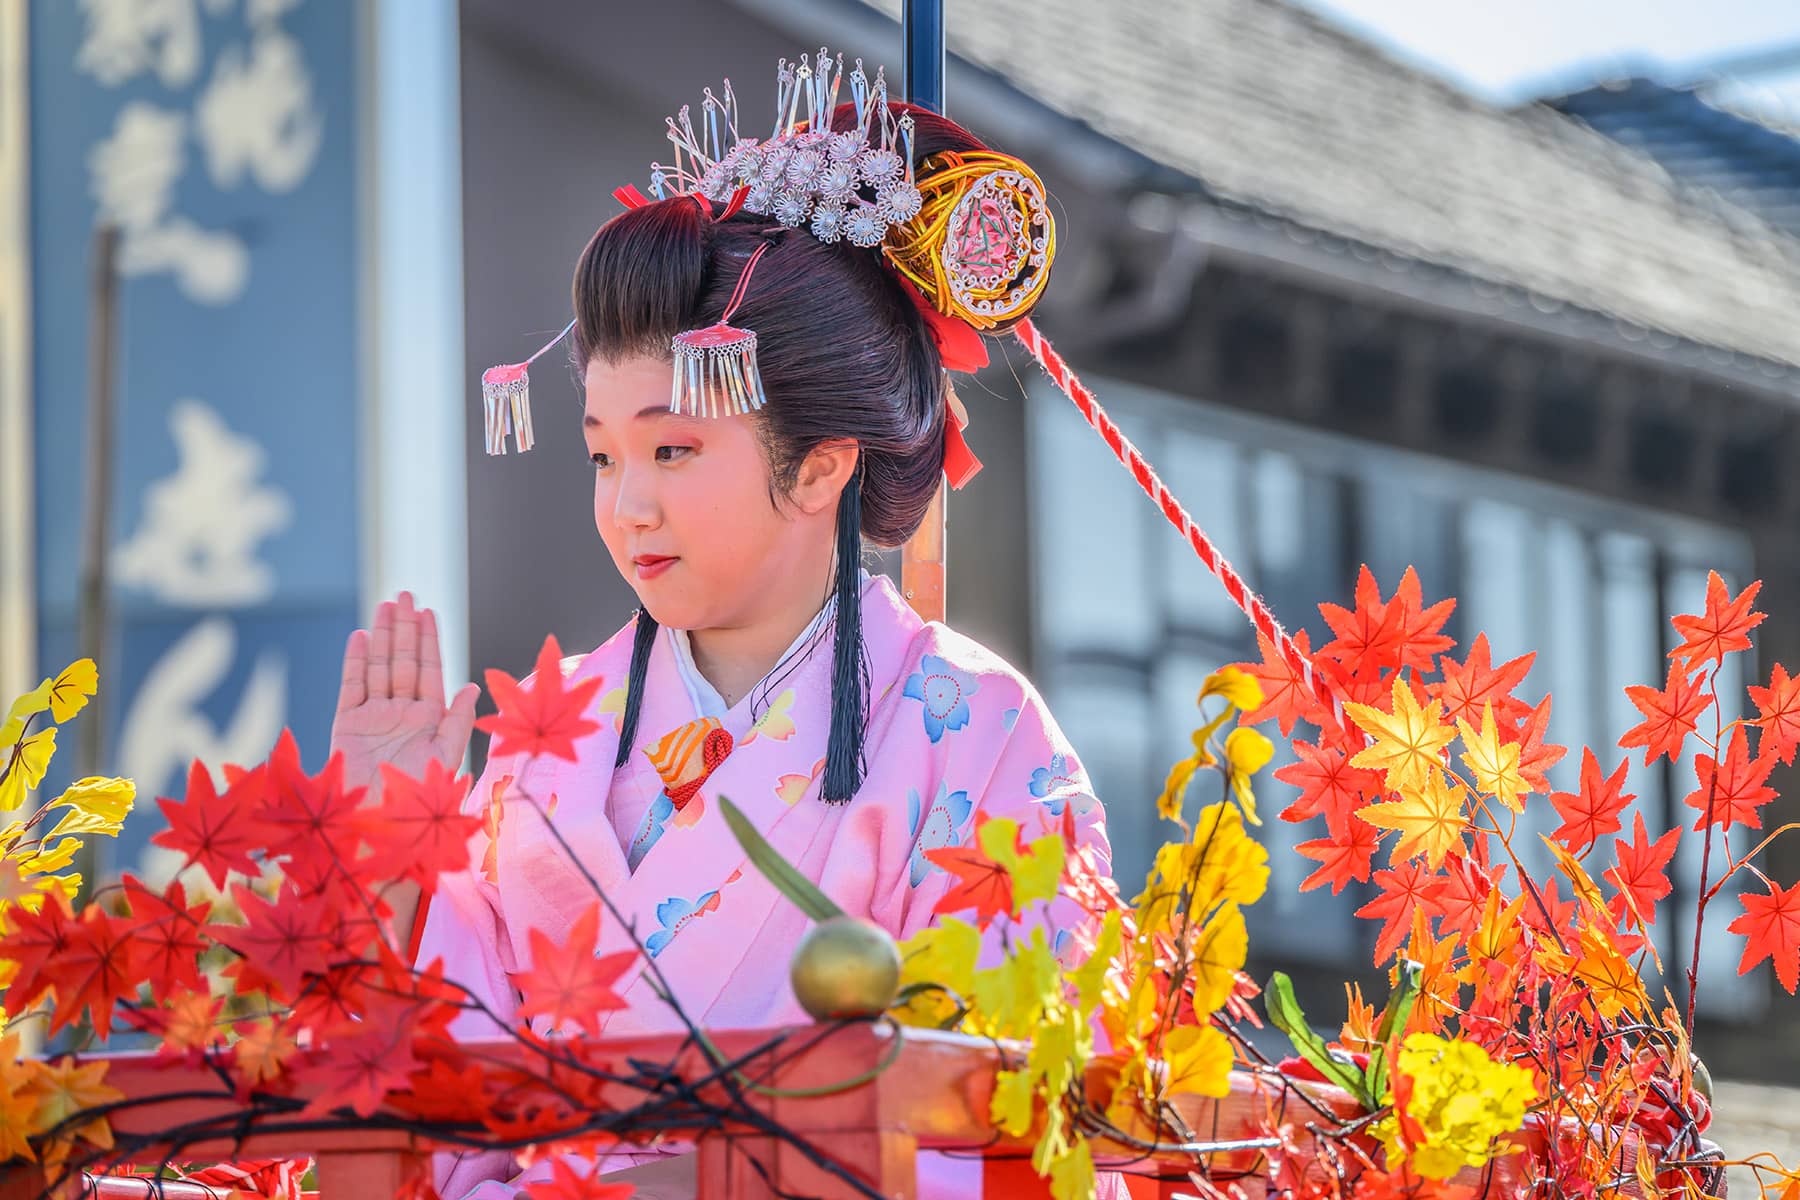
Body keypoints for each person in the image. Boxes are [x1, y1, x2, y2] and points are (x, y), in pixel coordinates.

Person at [329, 55, 1120, 1199]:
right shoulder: (553, 740)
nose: (626, 503)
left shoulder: (982, 737)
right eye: (603, 454)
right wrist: (389, 857)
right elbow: (445, 1090)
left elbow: (1026, 1121)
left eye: (674, 449)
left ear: (821, 468)